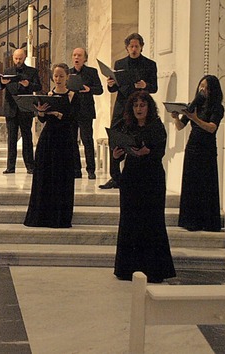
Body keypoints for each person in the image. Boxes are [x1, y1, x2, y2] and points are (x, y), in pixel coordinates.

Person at [112, 91, 175, 283]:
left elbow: (160, 151)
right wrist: (116, 156)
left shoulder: (156, 126)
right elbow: (119, 154)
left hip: (151, 178)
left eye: (142, 105)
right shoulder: (125, 126)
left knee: (152, 220)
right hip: (131, 177)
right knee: (130, 220)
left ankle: (154, 269)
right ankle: (127, 268)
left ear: (149, 107)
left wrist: (149, 151)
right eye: (136, 105)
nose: (139, 109)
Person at [100, 33, 158, 189]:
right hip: (122, 105)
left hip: (140, 106)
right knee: (115, 136)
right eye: (131, 46)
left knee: (139, 137)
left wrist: (145, 85)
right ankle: (115, 176)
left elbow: (154, 87)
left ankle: (136, 174)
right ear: (126, 48)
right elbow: (113, 89)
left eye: (136, 46)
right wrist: (111, 83)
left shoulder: (149, 64)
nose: (134, 49)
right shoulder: (120, 63)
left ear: (141, 47)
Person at [23, 63, 78, 228]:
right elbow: (43, 119)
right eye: (56, 76)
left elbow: (74, 118)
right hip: (48, 139)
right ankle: (42, 216)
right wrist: (40, 112)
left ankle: (60, 217)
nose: (58, 79)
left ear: (67, 77)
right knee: (45, 177)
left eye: (61, 76)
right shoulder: (48, 95)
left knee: (62, 177)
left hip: (65, 140)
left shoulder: (73, 96)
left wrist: (60, 114)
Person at [171, 75, 224, 232]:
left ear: (213, 90)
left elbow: (211, 128)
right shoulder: (194, 105)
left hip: (207, 148)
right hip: (192, 147)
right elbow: (181, 126)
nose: (203, 90)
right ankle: (190, 221)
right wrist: (175, 117)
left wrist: (194, 118)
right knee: (191, 183)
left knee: (206, 184)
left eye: (206, 87)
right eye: (201, 86)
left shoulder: (217, 108)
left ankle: (207, 222)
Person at [0, 48, 42, 174]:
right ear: (13, 58)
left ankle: (30, 166)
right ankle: (10, 167)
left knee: (27, 138)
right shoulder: (8, 71)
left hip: (25, 108)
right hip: (11, 108)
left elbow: (38, 86)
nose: (18, 61)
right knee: (11, 139)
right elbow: (0, 86)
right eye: (16, 58)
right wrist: (2, 82)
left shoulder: (32, 71)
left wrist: (28, 85)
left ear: (25, 58)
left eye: (20, 58)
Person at [70, 47, 103, 179]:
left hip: (86, 110)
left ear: (85, 58)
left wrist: (89, 89)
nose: (76, 58)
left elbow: (100, 90)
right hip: (72, 111)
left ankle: (91, 170)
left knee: (87, 140)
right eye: (74, 55)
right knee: (72, 141)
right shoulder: (68, 72)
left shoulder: (91, 72)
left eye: (79, 55)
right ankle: (76, 169)